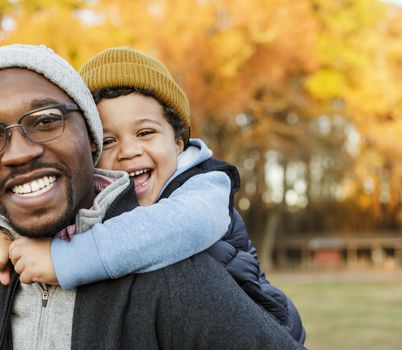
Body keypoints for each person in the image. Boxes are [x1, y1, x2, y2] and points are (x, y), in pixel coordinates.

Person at [0, 43, 304, 349]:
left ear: (179, 141)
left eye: (145, 133)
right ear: (89, 147)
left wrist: (63, 260)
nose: (129, 151)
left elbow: (177, 227)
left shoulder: (205, 187)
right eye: (108, 141)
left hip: (260, 322)